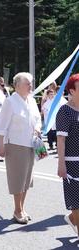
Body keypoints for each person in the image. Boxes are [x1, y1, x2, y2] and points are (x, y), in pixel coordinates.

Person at [0, 72, 41, 224]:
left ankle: (22, 208)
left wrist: (37, 128)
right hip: (15, 144)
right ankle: (17, 210)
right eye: (27, 83)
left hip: (30, 143)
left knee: (27, 179)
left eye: (31, 83)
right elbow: (2, 126)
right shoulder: (10, 102)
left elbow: (37, 119)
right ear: (17, 86)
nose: (31, 86)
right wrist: (0, 146)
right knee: (18, 179)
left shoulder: (31, 100)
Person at [56, 74, 79, 240]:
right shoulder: (65, 111)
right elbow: (61, 140)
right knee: (76, 201)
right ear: (72, 90)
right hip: (72, 163)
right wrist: (61, 164)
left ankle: (72, 220)